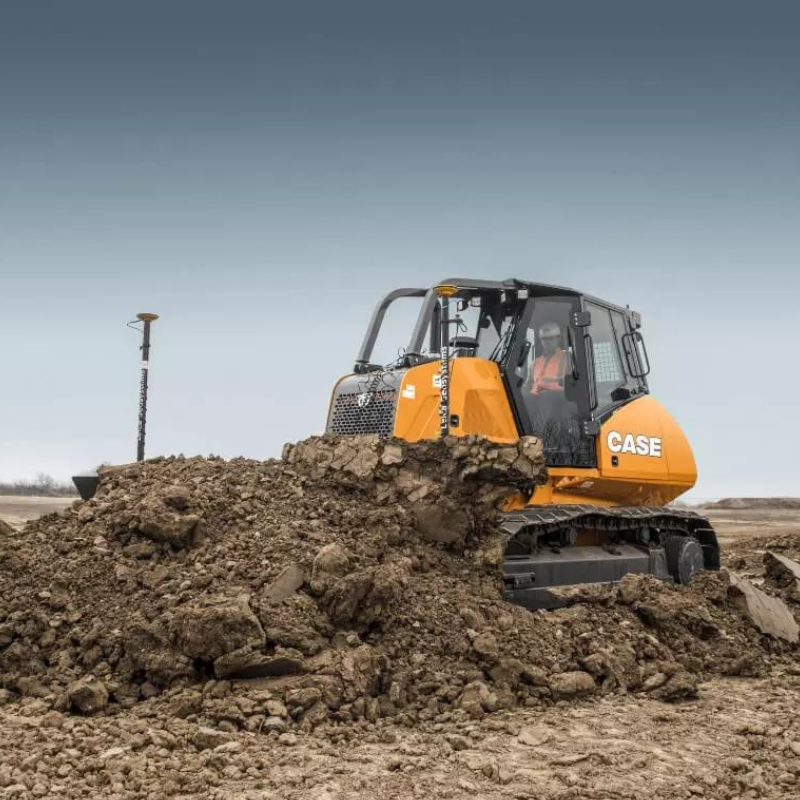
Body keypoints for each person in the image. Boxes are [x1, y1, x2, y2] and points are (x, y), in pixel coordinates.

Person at [530, 322, 567, 395]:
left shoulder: (567, 357)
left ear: (558, 338)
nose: (547, 341)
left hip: (560, 402)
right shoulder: (535, 363)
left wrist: (542, 383)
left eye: (550, 338)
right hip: (535, 402)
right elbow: (528, 384)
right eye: (544, 339)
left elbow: (569, 383)